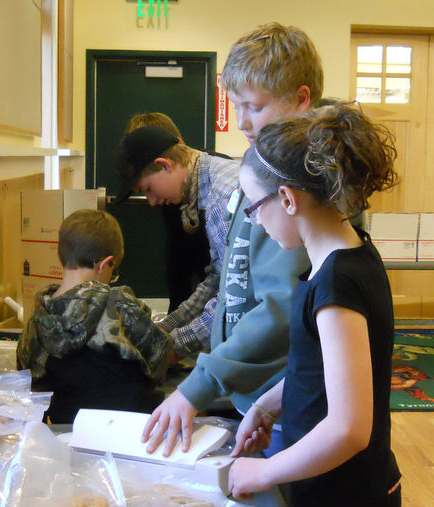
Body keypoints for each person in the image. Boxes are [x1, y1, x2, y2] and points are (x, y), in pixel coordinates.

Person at [228, 102, 402, 507]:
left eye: (253, 206)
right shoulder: (344, 255)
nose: (254, 222)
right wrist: (267, 404)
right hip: (330, 495)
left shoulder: (337, 286)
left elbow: (349, 429)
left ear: (286, 199)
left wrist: (263, 470)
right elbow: (320, 368)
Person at [141, 22, 321, 455]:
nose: (241, 122)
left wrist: (201, 384)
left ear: (301, 100)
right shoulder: (260, 165)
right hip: (252, 395)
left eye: (254, 107)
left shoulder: (304, 183)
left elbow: (280, 308)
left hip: (284, 398)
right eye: (235, 106)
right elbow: (232, 277)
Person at [16, 209, 173, 424]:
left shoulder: (37, 322)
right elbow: (159, 357)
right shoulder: (121, 307)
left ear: (61, 257)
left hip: (69, 433)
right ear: (104, 264)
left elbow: (28, 383)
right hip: (132, 431)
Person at [115, 124, 238, 362]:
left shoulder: (222, 199)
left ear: (164, 165)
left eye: (148, 189)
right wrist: (167, 328)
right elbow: (217, 280)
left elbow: (234, 299)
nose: (151, 201)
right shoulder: (206, 190)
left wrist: (174, 347)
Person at [124, 112, 212, 315]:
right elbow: (177, 256)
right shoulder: (170, 192)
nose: (152, 201)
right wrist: (175, 317)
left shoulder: (216, 181)